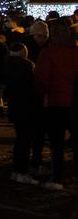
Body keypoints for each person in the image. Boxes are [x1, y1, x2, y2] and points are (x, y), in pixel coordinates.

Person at [32, 19, 76, 190]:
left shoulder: (48, 53)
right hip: (74, 102)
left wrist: (40, 97)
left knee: (57, 144)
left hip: (56, 102)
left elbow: (41, 80)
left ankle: (57, 177)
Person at [5, 38, 42, 184]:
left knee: (20, 140)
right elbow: (34, 87)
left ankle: (17, 170)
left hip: (15, 107)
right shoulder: (27, 66)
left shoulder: (8, 66)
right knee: (25, 141)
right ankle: (22, 171)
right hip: (27, 108)